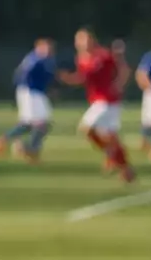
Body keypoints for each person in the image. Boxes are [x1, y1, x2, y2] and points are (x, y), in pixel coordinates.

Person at [57, 29, 136, 182]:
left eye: (85, 40)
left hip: (107, 100)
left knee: (86, 128)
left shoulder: (103, 55)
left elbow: (124, 69)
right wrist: (68, 79)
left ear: (93, 41)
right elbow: (83, 78)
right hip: (99, 100)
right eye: (79, 40)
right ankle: (125, 169)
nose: (82, 44)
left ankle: (112, 157)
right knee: (111, 137)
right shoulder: (81, 58)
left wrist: (119, 84)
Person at [0, 38, 57, 163]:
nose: (49, 51)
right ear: (38, 47)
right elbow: (24, 75)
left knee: (30, 123)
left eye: (50, 49)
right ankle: (30, 150)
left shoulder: (36, 59)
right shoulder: (36, 60)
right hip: (31, 93)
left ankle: (9, 140)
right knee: (41, 123)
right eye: (46, 48)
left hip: (32, 93)